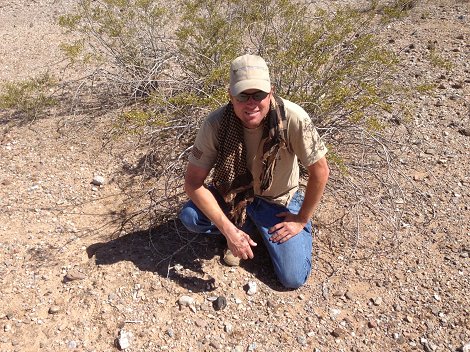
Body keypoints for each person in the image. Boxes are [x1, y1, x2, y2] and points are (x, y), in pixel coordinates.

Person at [179, 54, 329, 289]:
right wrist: (228, 230)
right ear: (230, 95)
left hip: (278, 202)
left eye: (258, 94)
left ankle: (256, 230)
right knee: (190, 217)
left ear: (271, 91)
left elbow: (320, 171)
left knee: (292, 278)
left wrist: (301, 219)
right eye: (242, 96)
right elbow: (193, 183)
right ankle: (244, 228)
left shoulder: (292, 118)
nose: (251, 103)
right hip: (235, 196)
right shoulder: (216, 124)